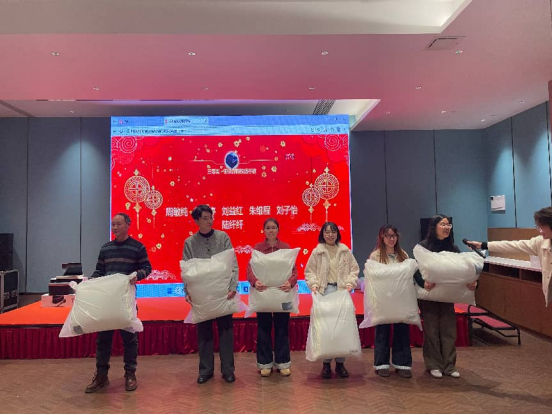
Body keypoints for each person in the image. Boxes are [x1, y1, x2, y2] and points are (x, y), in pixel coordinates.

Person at [85, 213, 152, 394]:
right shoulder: (106, 248)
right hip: (107, 301)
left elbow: (147, 268)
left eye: (118, 224)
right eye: (113, 224)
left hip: (126, 301)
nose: (114, 227)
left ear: (128, 225)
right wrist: (90, 282)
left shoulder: (137, 247)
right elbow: (99, 271)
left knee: (129, 339)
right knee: (103, 340)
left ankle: (130, 374)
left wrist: (137, 275)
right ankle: (101, 376)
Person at [415, 215, 478, 379]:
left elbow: (462, 271)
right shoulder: (423, 247)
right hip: (429, 296)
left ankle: (449, 365)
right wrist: (423, 283)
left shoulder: (453, 248)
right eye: (443, 224)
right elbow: (415, 270)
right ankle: (433, 364)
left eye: (448, 224)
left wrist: (471, 282)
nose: (447, 227)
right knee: (431, 330)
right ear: (434, 227)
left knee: (448, 330)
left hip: (447, 296)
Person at [182, 205, 238, 384]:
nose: (209, 221)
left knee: (226, 331)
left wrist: (233, 286)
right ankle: (205, 370)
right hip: (202, 294)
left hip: (222, 293)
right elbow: (186, 269)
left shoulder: (223, 237)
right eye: (205, 218)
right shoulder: (190, 242)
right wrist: (187, 291)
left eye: (211, 217)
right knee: (204, 332)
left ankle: (228, 370)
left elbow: (233, 263)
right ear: (197, 221)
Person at [305, 222, 360, 379]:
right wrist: (314, 284)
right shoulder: (317, 252)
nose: (330, 235)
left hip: (342, 291)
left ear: (337, 234)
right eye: (327, 232)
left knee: (342, 328)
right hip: (325, 293)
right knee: (326, 329)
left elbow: (354, 269)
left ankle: (341, 364)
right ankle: (326, 364)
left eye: (333, 231)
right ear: (322, 234)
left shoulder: (345, 251)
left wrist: (350, 282)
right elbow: (309, 271)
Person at [467, 206, 552, 307]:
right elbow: (513, 246)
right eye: (538, 227)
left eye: (543, 227)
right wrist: (483, 245)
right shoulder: (540, 242)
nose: (540, 231)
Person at [247, 218, 298, 377]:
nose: (271, 230)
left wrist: (290, 282)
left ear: (278, 230)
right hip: (263, 294)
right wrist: (255, 282)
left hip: (283, 293)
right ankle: (265, 363)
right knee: (263, 328)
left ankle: (283, 363)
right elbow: (250, 269)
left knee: (282, 327)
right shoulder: (258, 248)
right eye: (268, 227)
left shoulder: (285, 248)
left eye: (274, 227)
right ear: (264, 230)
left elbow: (293, 270)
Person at [369, 225, 413, 379]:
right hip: (383, 300)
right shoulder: (375, 256)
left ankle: (402, 364)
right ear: (382, 237)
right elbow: (372, 279)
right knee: (382, 331)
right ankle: (382, 364)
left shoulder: (403, 255)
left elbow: (408, 276)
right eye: (387, 236)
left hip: (400, 299)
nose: (391, 239)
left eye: (393, 235)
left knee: (402, 331)